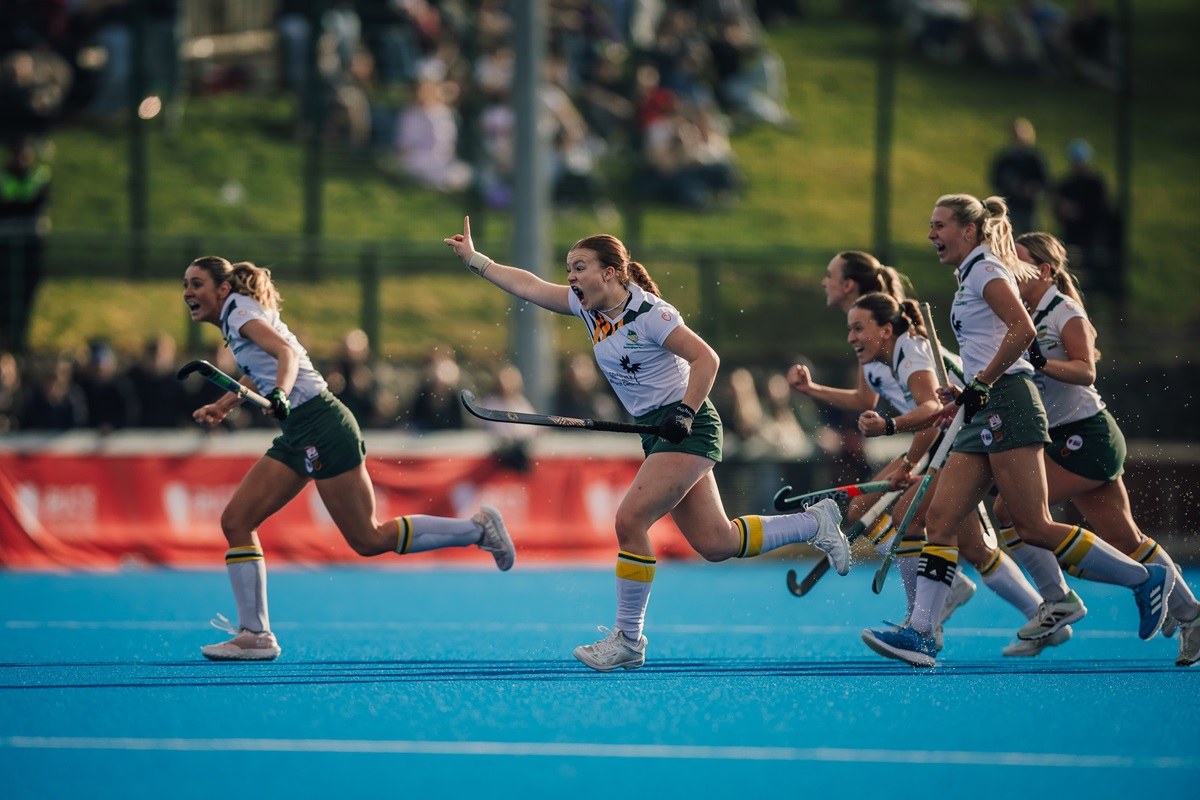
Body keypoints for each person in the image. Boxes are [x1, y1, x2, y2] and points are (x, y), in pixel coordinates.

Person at [443, 217, 851, 672]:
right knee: (716, 542)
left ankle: (629, 639)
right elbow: (529, 286)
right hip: (656, 431)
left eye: (580, 267)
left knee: (630, 519)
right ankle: (813, 523)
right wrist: (476, 260)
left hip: (688, 426)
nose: (571, 277)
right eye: (569, 268)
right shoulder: (588, 309)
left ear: (611, 272)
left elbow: (706, 358)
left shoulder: (651, 314)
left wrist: (686, 411)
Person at [860, 194, 1174, 667]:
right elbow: (993, 339)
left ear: (969, 230)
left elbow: (1023, 331)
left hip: (1008, 402)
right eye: (931, 225)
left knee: (1031, 524)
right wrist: (966, 389)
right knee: (940, 520)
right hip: (984, 405)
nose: (931, 234)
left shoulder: (985, 270)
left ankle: (1145, 579)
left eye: (940, 225)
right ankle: (922, 633)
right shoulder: (973, 272)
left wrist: (981, 382)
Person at [182, 256, 515, 661]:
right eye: (186, 285)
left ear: (222, 289)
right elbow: (260, 368)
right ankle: (255, 634)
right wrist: (224, 404)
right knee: (236, 520)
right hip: (299, 432)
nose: (188, 293)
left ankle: (478, 529)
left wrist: (282, 394)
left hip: (322, 425)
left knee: (368, 538)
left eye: (196, 284)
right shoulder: (239, 317)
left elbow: (285, 355)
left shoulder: (239, 316)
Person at [991, 232, 1198, 666]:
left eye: (1020, 263)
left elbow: (1086, 371)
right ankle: (1192, 614)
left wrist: (1039, 361)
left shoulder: (1064, 311)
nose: (1009, 270)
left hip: (1087, 436)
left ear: (1045, 271)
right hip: (1065, 438)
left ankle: (1059, 599)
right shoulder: (1022, 313)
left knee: (1012, 513)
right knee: (1124, 536)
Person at [849, 292, 1053, 656]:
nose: (850, 337)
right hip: (967, 439)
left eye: (858, 328)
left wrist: (900, 447)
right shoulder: (898, 351)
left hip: (977, 435)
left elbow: (930, 413)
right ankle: (1042, 612)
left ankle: (923, 626)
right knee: (971, 543)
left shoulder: (909, 352)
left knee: (912, 519)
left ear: (885, 327)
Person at [989, 117, 1049, 235]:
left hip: (1029, 207)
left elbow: (1044, 183)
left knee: (1031, 238)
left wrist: (1031, 189)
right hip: (1010, 205)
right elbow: (996, 181)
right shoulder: (1005, 160)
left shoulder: (1035, 160)